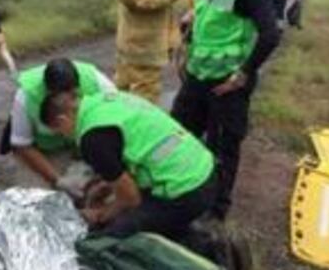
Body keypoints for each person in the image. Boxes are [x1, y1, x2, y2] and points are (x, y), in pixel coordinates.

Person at [171, 0, 281, 221]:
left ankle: (215, 210)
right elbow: (206, 7)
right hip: (197, 73)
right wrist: (190, 25)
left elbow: (270, 35)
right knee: (179, 133)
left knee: (222, 146)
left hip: (227, 83)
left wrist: (244, 72)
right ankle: (179, 191)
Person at [43, 90, 218, 251]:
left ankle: (213, 249)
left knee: (109, 239)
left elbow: (130, 198)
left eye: (59, 132)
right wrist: (108, 185)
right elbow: (129, 149)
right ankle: (185, 230)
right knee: (145, 217)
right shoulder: (104, 100)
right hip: (203, 169)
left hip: (186, 190)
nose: (63, 137)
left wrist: (102, 215)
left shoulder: (91, 138)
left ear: (62, 120)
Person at [1, 58, 116, 195]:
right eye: (58, 97)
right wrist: (58, 180)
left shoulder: (98, 83)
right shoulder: (26, 96)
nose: (67, 102)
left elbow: (116, 128)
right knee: (39, 196)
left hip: (87, 143)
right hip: (45, 150)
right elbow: (22, 145)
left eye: (72, 96)